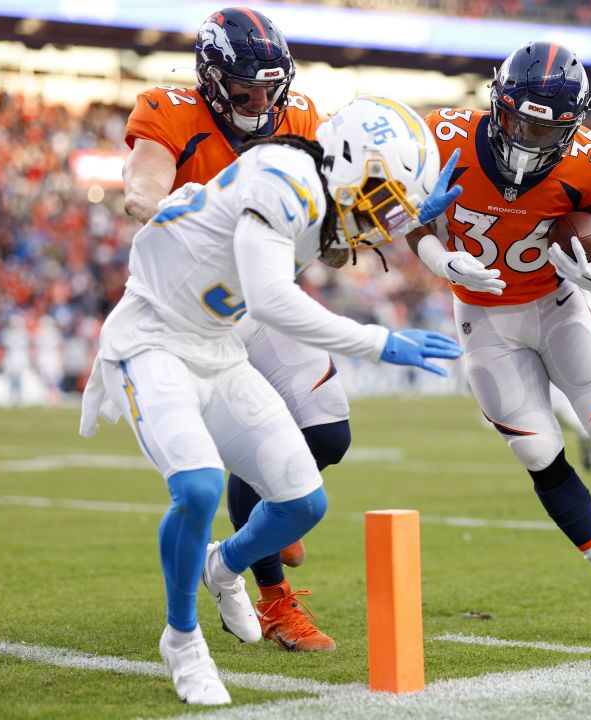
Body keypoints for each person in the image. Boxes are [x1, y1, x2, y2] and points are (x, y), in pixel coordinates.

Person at [79, 97, 462, 704]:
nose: (384, 214)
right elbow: (269, 301)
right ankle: (181, 639)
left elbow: (330, 241)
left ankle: (223, 565)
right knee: (201, 486)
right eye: (385, 196)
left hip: (219, 348)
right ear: (347, 161)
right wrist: (378, 342)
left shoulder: (318, 184)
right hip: (154, 341)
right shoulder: (284, 179)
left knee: (304, 502)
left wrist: (406, 215)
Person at [406, 42, 591, 644]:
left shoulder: (589, 160)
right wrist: (439, 257)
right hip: (483, 318)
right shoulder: (443, 137)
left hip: (555, 305)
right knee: (538, 452)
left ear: (573, 127)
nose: (529, 136)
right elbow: (409, 214)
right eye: (519, 118)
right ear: (496, 103)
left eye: (546, 126)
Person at [120, 7, 342, 651]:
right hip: (192, 317)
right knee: (243, 456)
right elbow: (141, 189)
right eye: (244, 89)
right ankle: (274, 603)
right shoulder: (172, 112)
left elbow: (330, 228)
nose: (259, 101)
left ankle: (252, 532)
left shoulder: (300, 118)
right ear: (212, 81)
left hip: (263, 301)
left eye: (270, 87)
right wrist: (193, 215)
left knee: (328, 434)